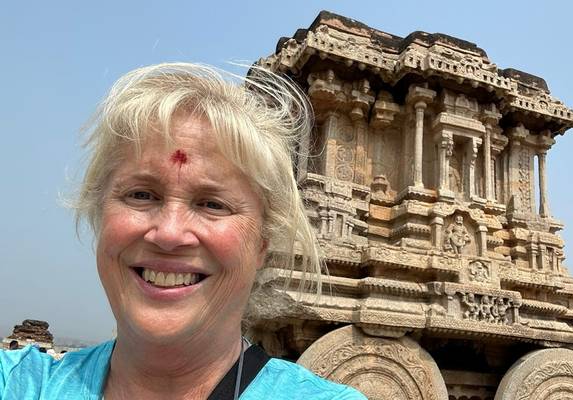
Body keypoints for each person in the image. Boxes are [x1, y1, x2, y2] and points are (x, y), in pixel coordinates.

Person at [0, 63, 366, 400]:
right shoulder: (22, 385)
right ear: (100, 214)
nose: (169, 233)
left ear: (262, 246)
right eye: (141, 195)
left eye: (212, 204)